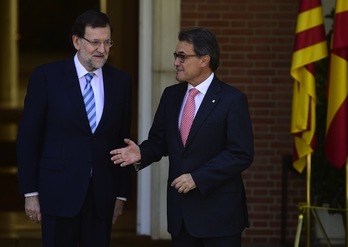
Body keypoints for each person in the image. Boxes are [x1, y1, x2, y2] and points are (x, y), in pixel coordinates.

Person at [110, 27, 254, 247]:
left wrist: (198, 177)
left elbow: (240, 154)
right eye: (175, 56)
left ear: (205, 59)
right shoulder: (171, 96)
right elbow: (159, 142)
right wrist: (141, 152)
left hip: (220, 216)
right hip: (182, 216)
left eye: (182, 56)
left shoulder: (232, 100)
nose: (176, 62)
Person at [16, 9, 132, 246]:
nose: (102, 49)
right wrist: (30, 193)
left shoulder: (121, 82)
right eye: (95, 42)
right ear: (77, 41)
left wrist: (120, 194)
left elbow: (123, 141)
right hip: (57, 193)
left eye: (107, 42)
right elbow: (28, 138)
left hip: (102, 196)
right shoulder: (47, 77)